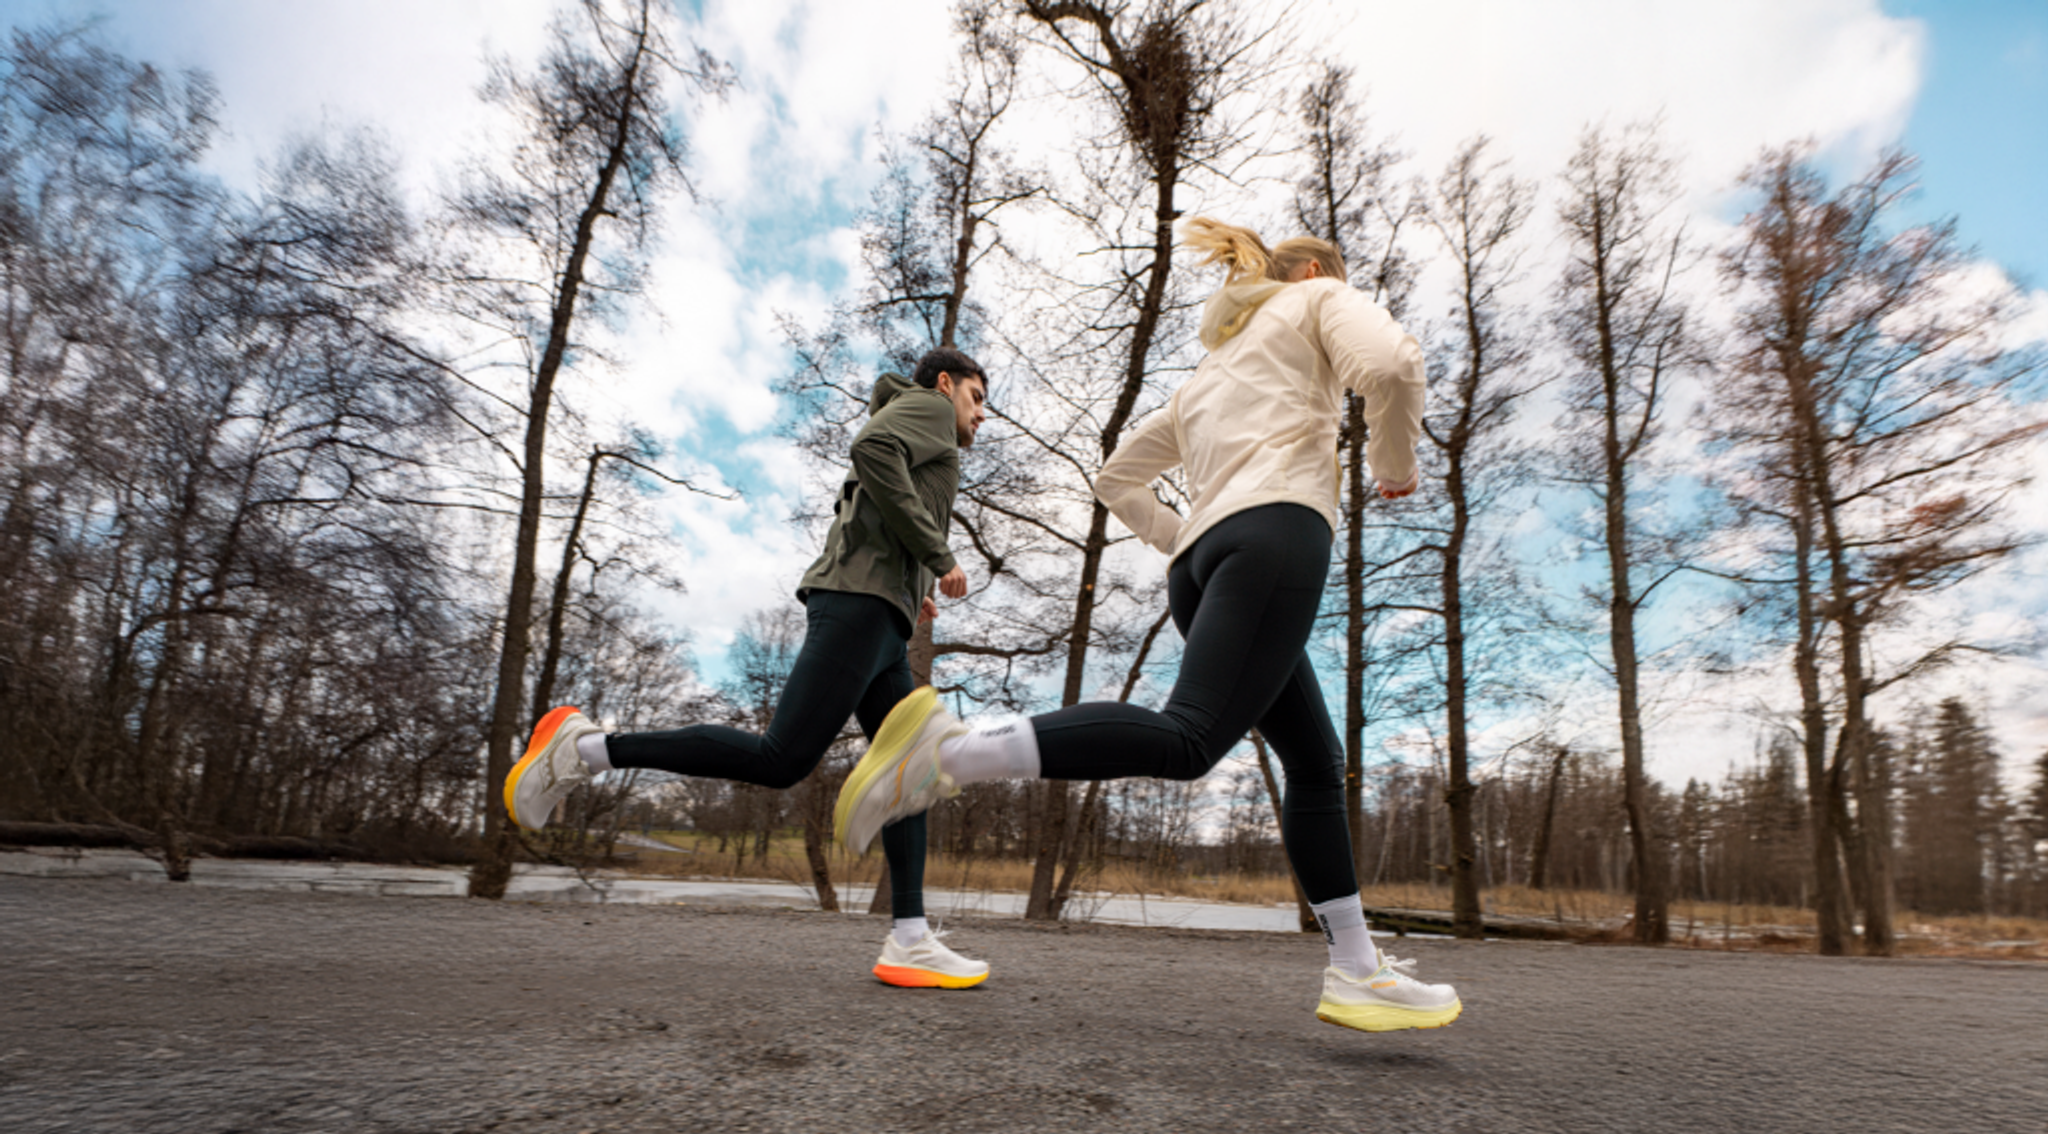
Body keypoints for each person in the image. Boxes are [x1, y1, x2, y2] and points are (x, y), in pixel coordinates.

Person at [834, 220, 1460, 1032]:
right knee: (1190, 739)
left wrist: (1182, 533)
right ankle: (949, 752)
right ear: (1309, 270)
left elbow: (1114, 479)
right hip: (1277, 536)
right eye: (1328, 274)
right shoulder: (1318, 297)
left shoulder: (1204, 376)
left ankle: (1355, 966)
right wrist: (1393, 465)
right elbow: (1391, 364)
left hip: (1202, 570)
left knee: (1313, 757)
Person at [508, 347, 992, 990]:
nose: (981, 413)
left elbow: (875, 509)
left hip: (880, 614)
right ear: (944, 384)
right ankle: (584, 750)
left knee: (910, 771)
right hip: (861, 609)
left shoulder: (921, 423)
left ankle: (909, 938)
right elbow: (872, 452)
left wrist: (914, 581)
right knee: (781, 758)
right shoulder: (929, 409)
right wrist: (935, 552)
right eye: (977, 396)